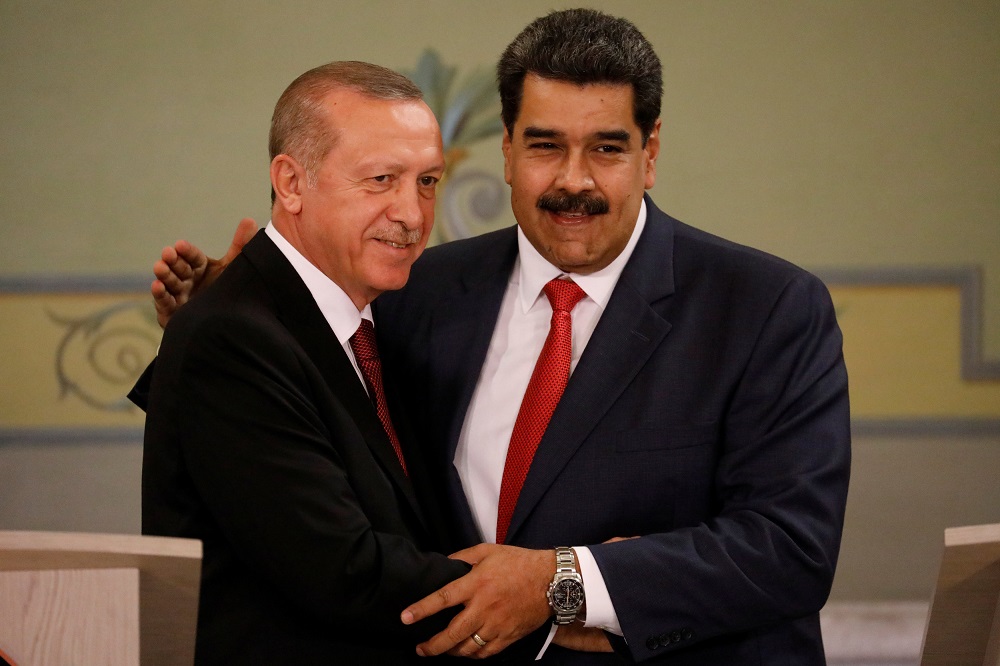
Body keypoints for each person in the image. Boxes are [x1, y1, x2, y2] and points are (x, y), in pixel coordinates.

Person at [147, 9, 851, 664]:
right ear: (507, 151)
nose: (574, 181)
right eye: (546, 146)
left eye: (607, 148)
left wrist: (564, 584)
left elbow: (788, 550)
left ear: (651, 151)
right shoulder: (411, 294)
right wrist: (237, 316)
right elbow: (311, 467)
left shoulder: (767, 309)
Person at [137, 60, 476, 664]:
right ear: (290, 183)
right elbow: (345, 572)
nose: (413, 214)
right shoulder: (234, 336)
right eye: (381, 180)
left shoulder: (374, 321)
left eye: (427, 181)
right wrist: (545, 599)